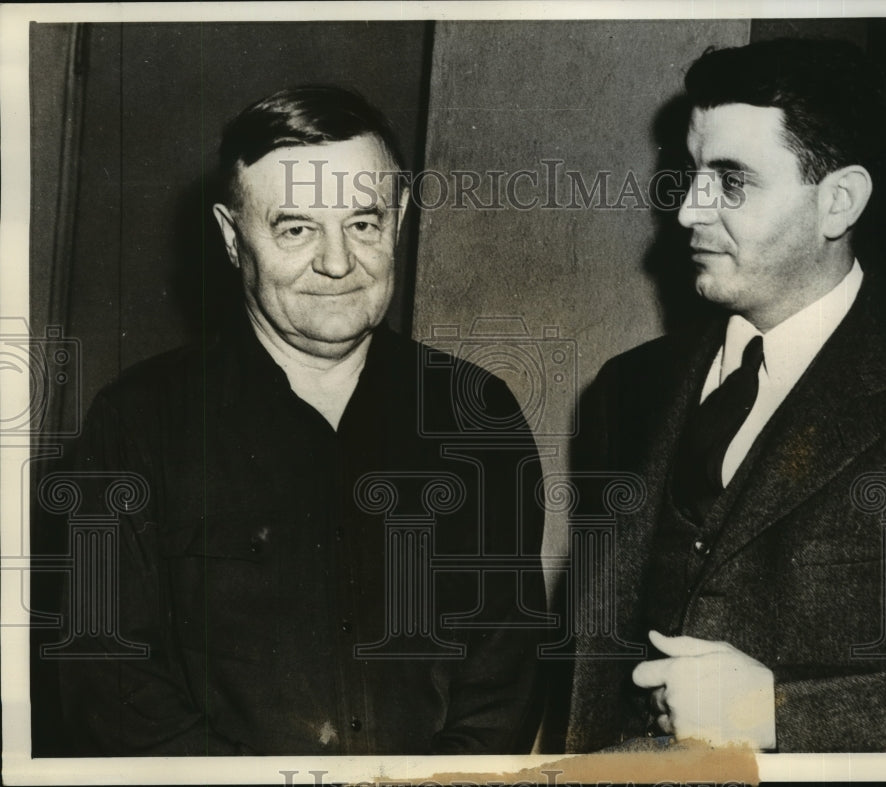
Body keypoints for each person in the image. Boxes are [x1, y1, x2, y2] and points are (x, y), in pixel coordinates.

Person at [57, 85, 546, 755]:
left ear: (400, 219)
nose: (338, 263)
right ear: (232, 238)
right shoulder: (137, 423)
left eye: (364, 223)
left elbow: (505, 682)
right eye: (296, 228)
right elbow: (109, 680)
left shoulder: (477, 416)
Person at [564, 39, 886, 753]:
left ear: (838, 202)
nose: (689, 211)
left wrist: (777, 713)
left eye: (731, 181)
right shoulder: (628, 388)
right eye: (691, 176)